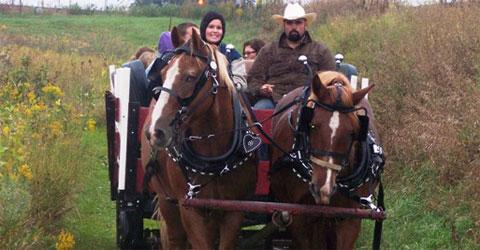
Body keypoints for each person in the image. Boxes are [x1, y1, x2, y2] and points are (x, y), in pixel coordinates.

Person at [247, 3, 336, 109]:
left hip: (309, 102)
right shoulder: (268, 51)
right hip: (273, 101)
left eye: (298, 22)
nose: (294, 27)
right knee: (260, 111)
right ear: (284, 25)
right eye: (289, 23)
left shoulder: (321, 51)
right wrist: (261, 88)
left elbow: (331, 80)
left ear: (305, 25)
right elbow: (253, 79)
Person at [200, 11, 247, 90]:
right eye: (211, 27)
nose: (215, 31)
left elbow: (240, 82)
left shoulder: (231, 53)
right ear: (204, 29)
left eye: (219, 28)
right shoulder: (193, 51)